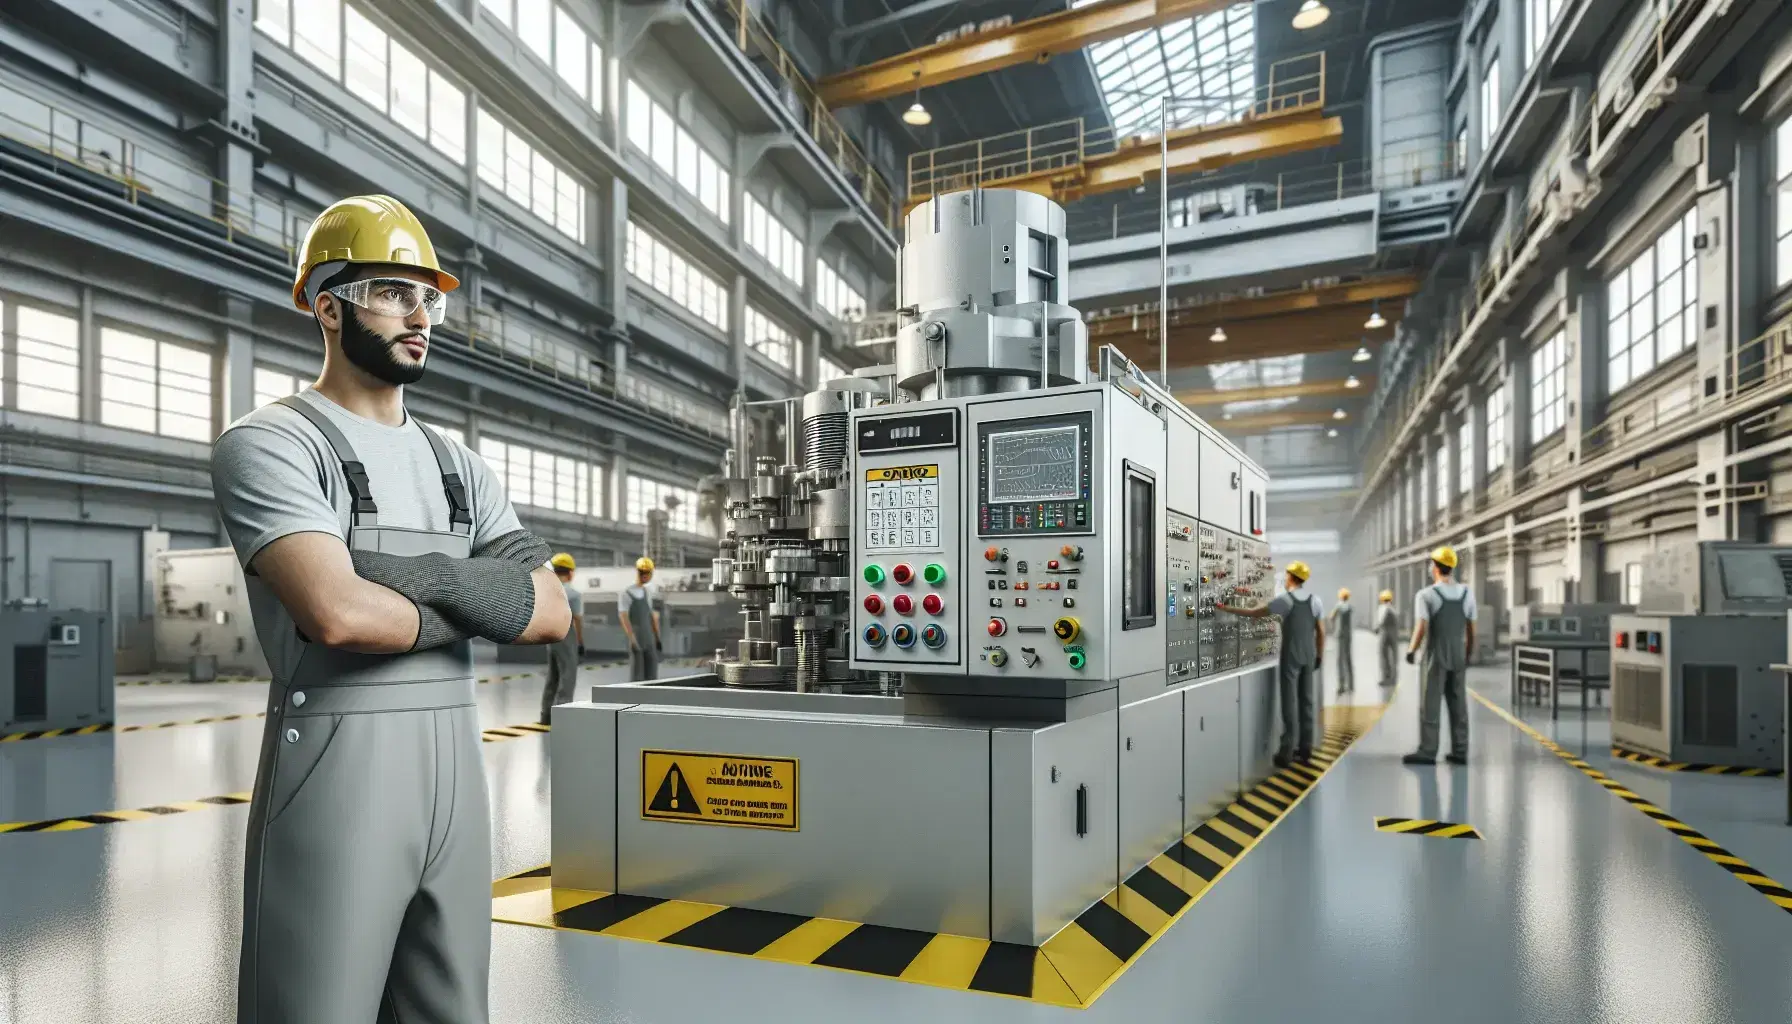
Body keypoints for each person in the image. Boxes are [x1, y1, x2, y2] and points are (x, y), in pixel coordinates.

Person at [212, 194, 571, 1023]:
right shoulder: (273, 444)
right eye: (392, 292)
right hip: (339, 770)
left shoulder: (460, 465)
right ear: (328, 307)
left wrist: (417, 579)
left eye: (430, 298)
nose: (421, 315)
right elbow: (337, 614)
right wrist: (483, 598)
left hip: (456, 775)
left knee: (452, 1009)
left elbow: (549, 612)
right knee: (315, 1006)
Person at [1218, 561, 1324, 766]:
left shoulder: (1286, 600)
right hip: (1309, 655)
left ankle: (1286, 752)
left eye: (1286, 576)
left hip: (1291, 656)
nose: (1284, 579)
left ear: (1291, 577)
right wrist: (1319, 655)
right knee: (1307, 702)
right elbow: (1320, 631)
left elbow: (1256, 613)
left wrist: (1228, 608)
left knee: (1289, 704)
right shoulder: (1315, 601)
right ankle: (1306, 749)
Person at [1403, 546, 1476, 766]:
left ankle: (1427, 751)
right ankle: (1460, 750)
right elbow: (1472, 630)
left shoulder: (1426, 595)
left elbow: (1421, 627)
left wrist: (1411, 650)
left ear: (1434, 567)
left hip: (1436, 655)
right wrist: (1467, 655)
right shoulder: (1467, 593)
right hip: (1458, 654)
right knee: (1458, 704)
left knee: (1430, 703)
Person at [539, 552, 586, 724]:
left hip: (550, 636)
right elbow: (578, 621)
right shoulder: (573, 594)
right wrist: (580, 642)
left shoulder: (547, 590)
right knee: (568, 677)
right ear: (570, 572)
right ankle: (562, 718)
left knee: (552, 677)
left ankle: (546, 716)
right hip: (567, 636)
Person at [620, 556, 662, 680]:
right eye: (645, 573)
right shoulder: (626, 592)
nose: (647, 576)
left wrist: (657, 638)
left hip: (649, 637)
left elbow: (652, 616)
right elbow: (624, 618)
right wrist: (632, 640)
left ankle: (651, 698)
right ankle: (634, 699)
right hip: (637, 636)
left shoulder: (647, 592)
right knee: (637, 674)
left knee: (652, 672)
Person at [1328, 588, 1355, 694]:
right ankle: (1351, 685)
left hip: (1340, 635)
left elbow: (1331, 617)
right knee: (1348, 659)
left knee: (1340, 661)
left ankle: (1341, 685)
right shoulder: (1349, 606)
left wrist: (1333, 627)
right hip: (1348, 635)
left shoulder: (1338, 606)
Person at [1374, 589, 1399, 688]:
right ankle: (1393, 678)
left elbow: (1381, 621)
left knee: (1384, 656)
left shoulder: (1382, 608)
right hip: (1393, 634)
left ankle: (1385, 678)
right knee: (1393, 656)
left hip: (1384, 633)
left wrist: (1376, 629)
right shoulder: (1393, 609)